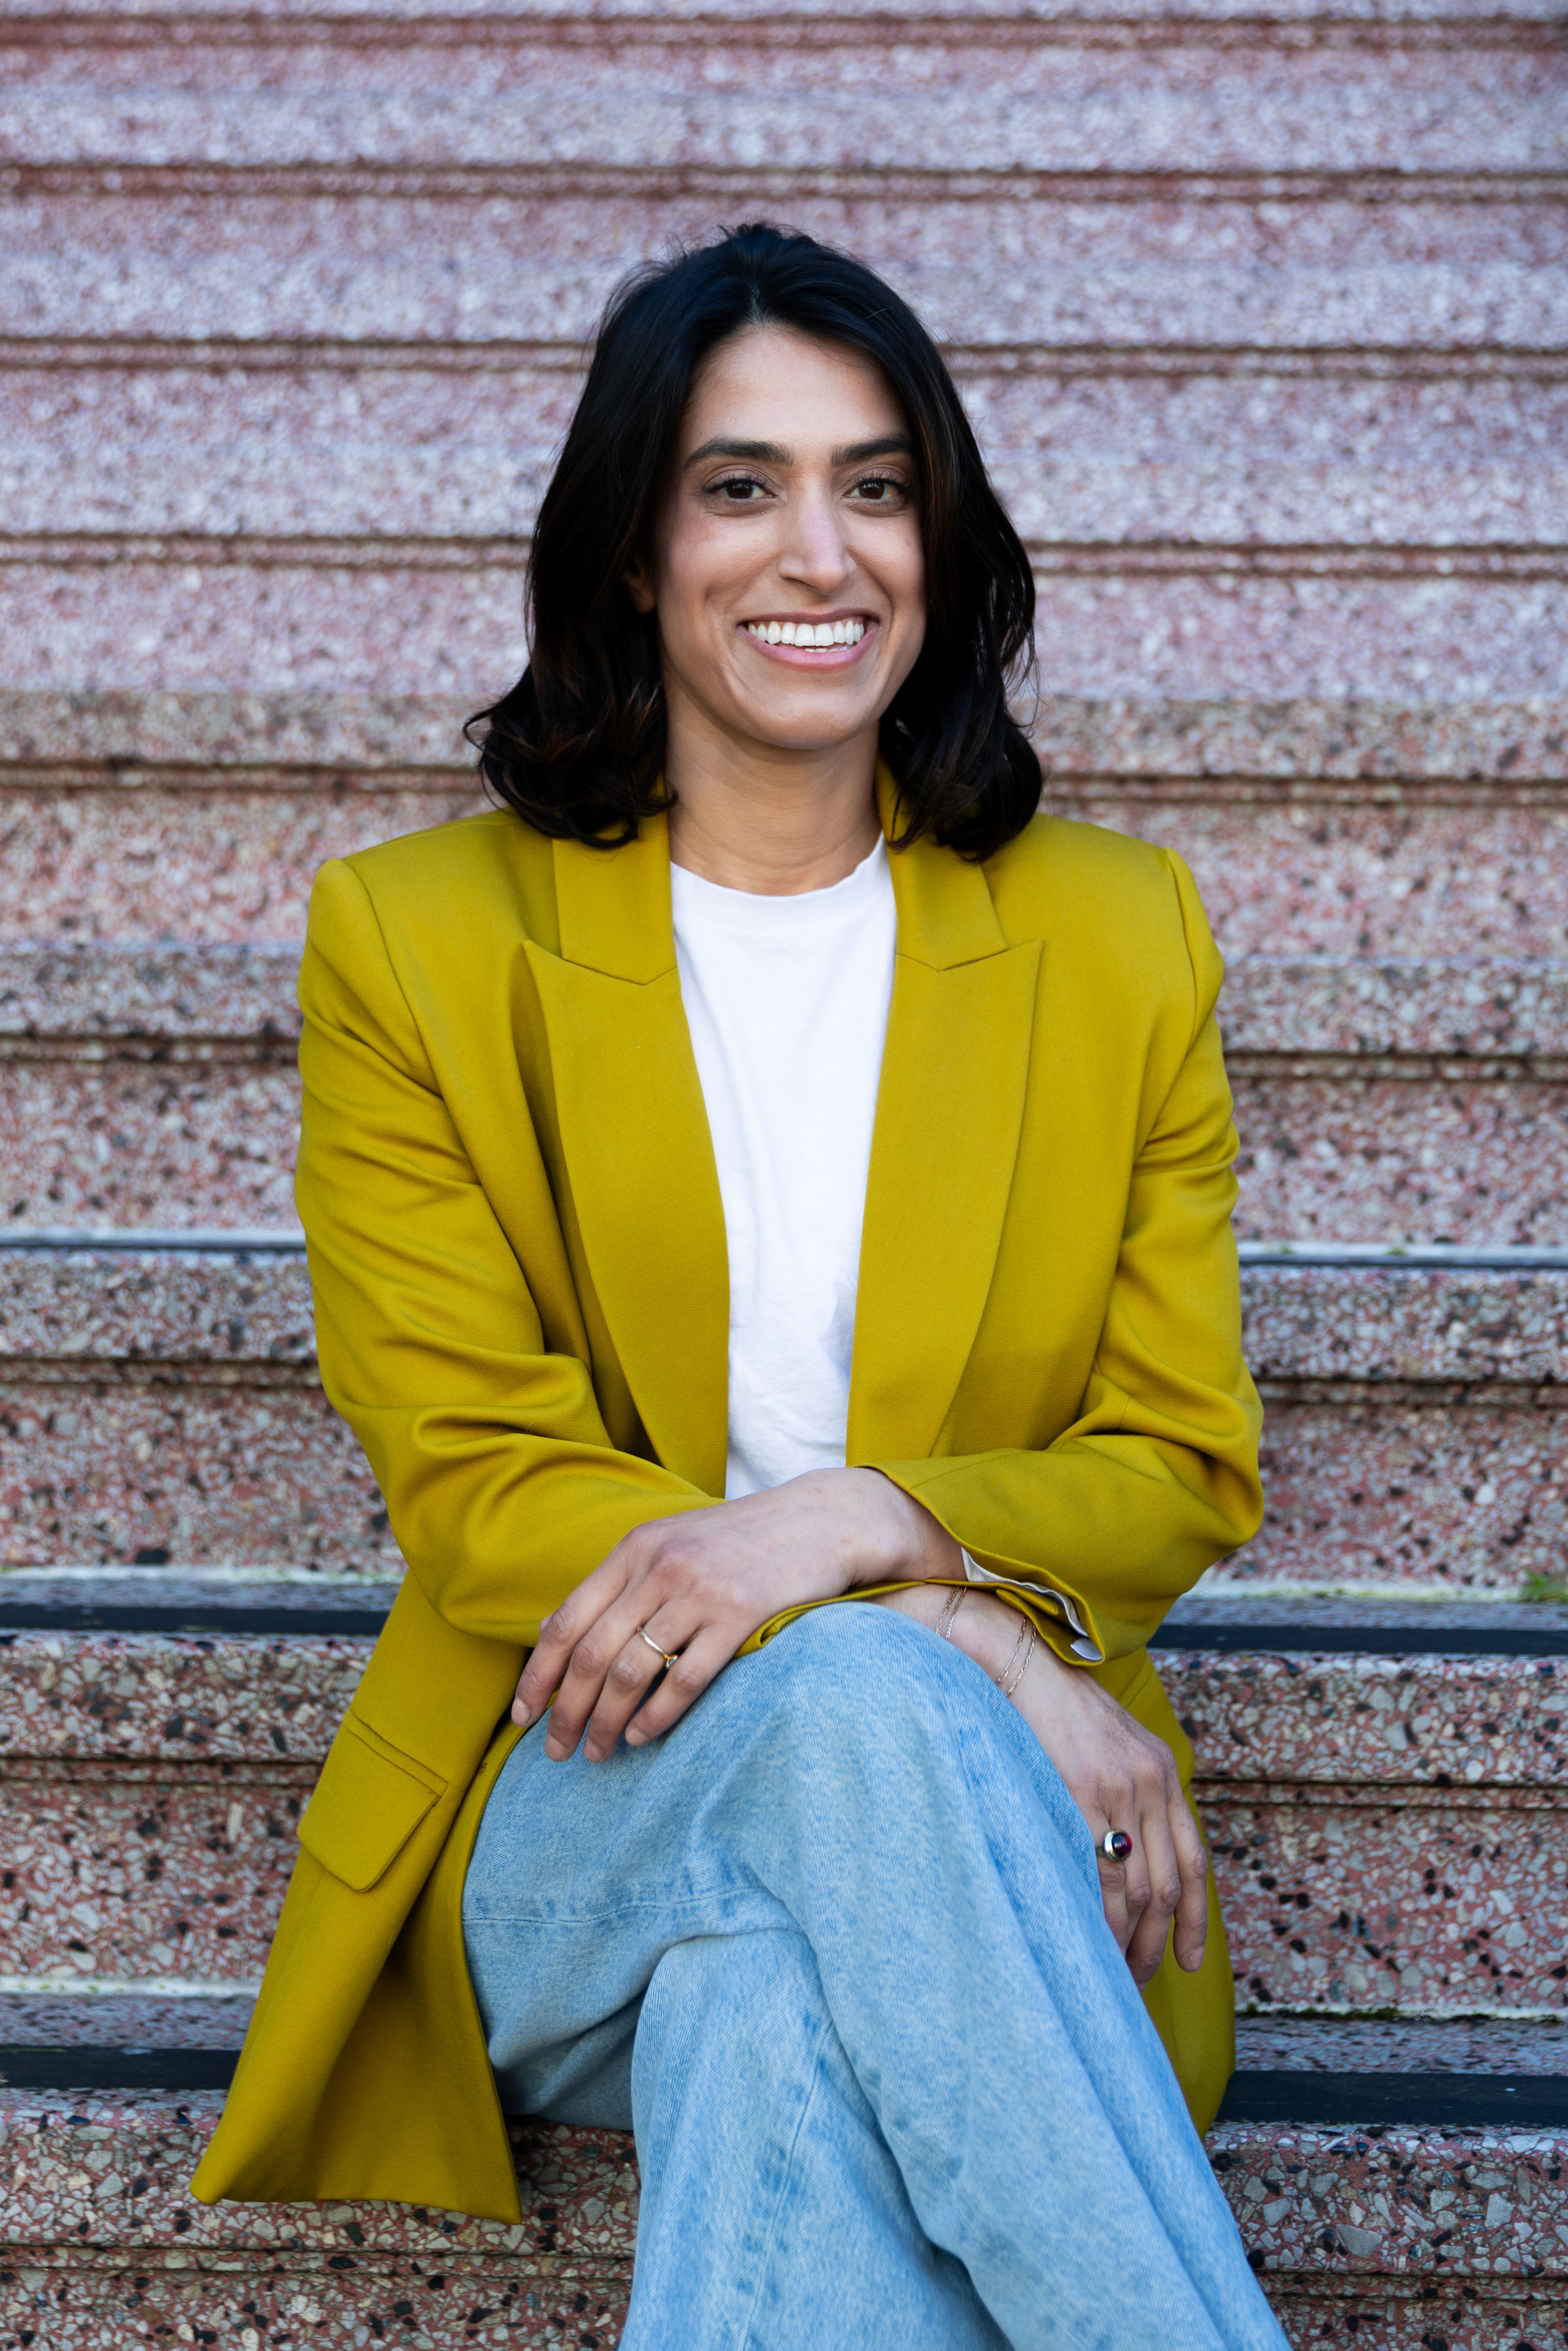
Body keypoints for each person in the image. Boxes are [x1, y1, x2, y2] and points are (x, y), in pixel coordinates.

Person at [193, 222, 1287, 2348]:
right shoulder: (418, 942)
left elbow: (1175, 1465)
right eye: (739, 485)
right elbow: (480, 1484)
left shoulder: (1114, 935)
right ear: (632, 549)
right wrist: (948, 1621)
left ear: (940, 543)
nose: (822, 552)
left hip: (986, 1866)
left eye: (877, 486)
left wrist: (861, 1517)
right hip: (571, 1799)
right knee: (862, 1710)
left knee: (774, 2013)